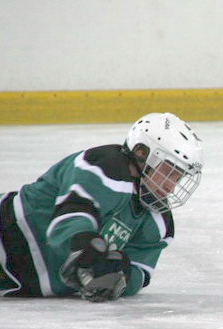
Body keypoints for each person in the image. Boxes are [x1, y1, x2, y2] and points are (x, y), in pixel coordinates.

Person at [0, 112, 203, 302]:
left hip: (22, 283)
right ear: (142, 153)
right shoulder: (104, 167)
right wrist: (85, 245)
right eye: (168, 171)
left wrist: (121, 274)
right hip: (7, 234)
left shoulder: (158, 220)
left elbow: (141, 271)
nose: (171, 185)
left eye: (178, 177)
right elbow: (68, 222)